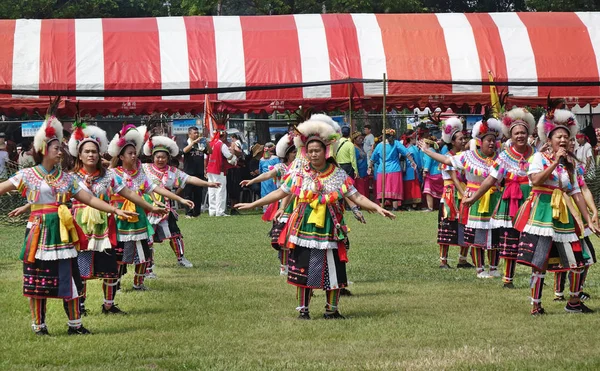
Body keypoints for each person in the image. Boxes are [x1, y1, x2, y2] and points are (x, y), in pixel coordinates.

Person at [235, 115, 395, 320]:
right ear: (304, 152)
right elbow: (281, 192)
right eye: (309, 151)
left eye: (317, 150)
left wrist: (377, 208)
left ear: (326, 151)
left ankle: (332, 310)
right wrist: (253, 204)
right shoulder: (300, 174)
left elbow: (356, 195)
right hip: (304, 228)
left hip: (330, 228)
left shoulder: (337, 175)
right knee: (303, 268)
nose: (313, 154)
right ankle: (304, 310)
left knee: (333, 269)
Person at [0, 115, 137, 335]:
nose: (61, 151)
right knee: (37, 279)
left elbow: (90, 198)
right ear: (44, 149)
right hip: (39, 233)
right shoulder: (27, 175)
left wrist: (114, 209)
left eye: (61, 147)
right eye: (56, 147)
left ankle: (75, 325)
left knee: (71, 276)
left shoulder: (67, 179)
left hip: (63, 233)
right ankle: (39, 326)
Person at [68, 122, 166, 315]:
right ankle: (80, 305)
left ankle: (108, 305)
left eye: (94, 151)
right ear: (79, 155)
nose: (91, 155)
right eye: (87, 151)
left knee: (110, 268)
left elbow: (129, 192)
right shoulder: (71, 178)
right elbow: (55, 197)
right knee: (81, 268)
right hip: (81, 228)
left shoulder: (109, 177)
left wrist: (150, 206)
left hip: (106, 227)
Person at [513, 104, 598, 315]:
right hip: (542, 214)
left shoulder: (571, 164)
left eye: (566, 137)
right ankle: (536, 304)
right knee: (539, 262)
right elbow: (535, 180)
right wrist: (554, 163)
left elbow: (577, 192)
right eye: (558, 137)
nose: (563, 140)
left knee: (580, 260)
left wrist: (589, 219)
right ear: (548, 140)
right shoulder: (539, 158)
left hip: (565, 217)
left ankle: (574, 302)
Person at [108, 124, 192, 290]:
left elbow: (155, 188)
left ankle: (138, 283)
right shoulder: (112, 174)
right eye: (130, 154)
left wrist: (179, 199)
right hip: (119, 219)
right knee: (119, 255)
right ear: (121, 156)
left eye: (135, 153)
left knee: (144, 253)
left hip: (139, 217)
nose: (134, 156)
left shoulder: (140, 174)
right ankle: (114, 284)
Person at [420, 115, 504, 278]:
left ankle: (494, 267)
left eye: (494, 140)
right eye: (488, 140)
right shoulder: (469, 157)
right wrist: (427, 151)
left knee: (495, 234)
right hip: (475, 199)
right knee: (478, 234)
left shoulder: (500, 158)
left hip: (494, 198)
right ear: (480, 141)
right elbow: (447, 160)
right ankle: (480, 269)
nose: (492, 143)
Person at [463, 108, 536, 288]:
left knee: (534, 238)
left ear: (529, 134)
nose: (520, 136)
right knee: (510, 239)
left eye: (523, 132)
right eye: (516, 133)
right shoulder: (504, 157)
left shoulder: (536, 154)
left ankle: (536, 275)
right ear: (510, 136)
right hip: (510, 200)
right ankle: (507, 278)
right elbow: (490, 179)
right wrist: (473, 198)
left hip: (530, 200)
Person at [142, 135, 219, 269]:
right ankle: (148, 263)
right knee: (148, 236)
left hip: (166, 207)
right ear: (152, 157)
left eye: (163, 157)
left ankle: (181, 258)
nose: (160, 160)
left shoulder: (173, 171)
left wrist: (209, 184)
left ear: (168, 158)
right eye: (157, 157)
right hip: (148, 207)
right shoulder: (144, 169)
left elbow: (190, 179)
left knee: (175, 234)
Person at [240, 134, 297, 275]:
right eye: (294, 152)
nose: (297, 154)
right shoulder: (282, 167)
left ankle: (296, 264)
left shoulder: (302, 167)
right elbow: (266, 175)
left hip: (299, 203)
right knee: (283, 238)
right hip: (283, 204)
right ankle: (284, 267)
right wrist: (252, 181)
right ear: (287, 154)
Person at [369, 129, 417, 211]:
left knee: (382, 189)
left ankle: (382, 207)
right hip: (394, 169)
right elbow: (406, 153)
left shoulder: (380, 145)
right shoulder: (396, 143)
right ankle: (395, 208)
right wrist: (412, 162)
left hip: (382, 170)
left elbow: (372, 158)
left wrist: (370, 167)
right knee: (394, 189)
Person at [206, 130, 237, 217]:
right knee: (220, 190)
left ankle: (212, 210)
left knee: (211, 190)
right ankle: (220, 211)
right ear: (223, 136)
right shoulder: (221, 145)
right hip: (219, 169)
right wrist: (233, 154)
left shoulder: (211, 143)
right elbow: (229, 156)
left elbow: (206, 157)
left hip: (210, 168)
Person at [182, 126, 209, 218]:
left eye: (197, 133)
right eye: (195, 133)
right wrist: (193, 143)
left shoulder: (200, 144)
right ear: (189, 134)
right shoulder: (186, 143)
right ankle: (188, 213)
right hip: (189, 173)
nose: (197, 135)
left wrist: (207, 143)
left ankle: (196, 213)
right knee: (188, 194)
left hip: (199, 172)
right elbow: (184, 150)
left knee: (198, 194)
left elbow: (210, 151)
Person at [401, 130, 422, 210]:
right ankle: (414, 204)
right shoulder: (413, 149)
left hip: (405, 170)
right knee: (413, 187)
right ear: (411, 139)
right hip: (413, 170)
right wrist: (420, 168)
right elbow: (418, 160)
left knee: (407, 187)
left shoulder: (404, 148)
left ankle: (407, 204)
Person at [421, 137, 444, 212]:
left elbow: (428, 162)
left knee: (428, 191)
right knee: (440, 191)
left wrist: (425, 171)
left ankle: (430, 207)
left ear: (427, 144)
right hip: (439, 173)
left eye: (423, 143)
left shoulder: (429, 151)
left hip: (432, 173)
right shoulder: (435, 151)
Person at [352, 132, 369, 197]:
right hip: (359, 172)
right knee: (360, 189)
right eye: (359, 138)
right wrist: (356, 172)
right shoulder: (354, 148)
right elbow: (354, 161)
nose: (361, 140)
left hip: (364, 171)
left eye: (362, 138)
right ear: (354, 140)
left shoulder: (361, 147)